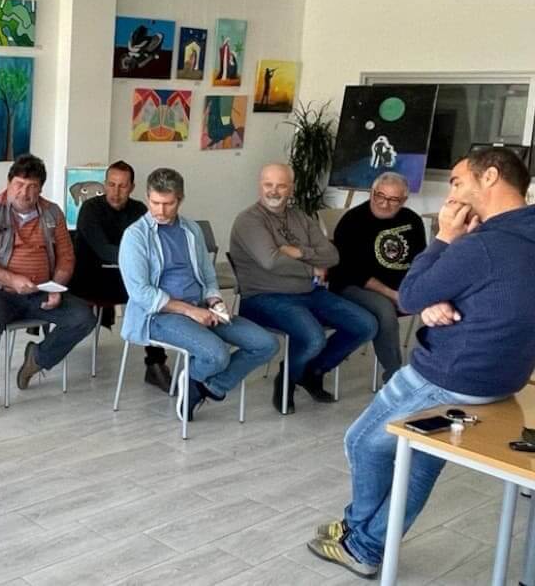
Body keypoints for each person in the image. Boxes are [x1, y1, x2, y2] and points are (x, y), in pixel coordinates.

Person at [307, 148, 535, 579]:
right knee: (420, 459)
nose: (451, 192)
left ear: (489, 177)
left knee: (361, 442)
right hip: (503, 377)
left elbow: (411, 298)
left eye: (456, 181)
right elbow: (499, 292)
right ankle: (364, 536)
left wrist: (446, 238)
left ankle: (361, 540)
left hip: (449, 374)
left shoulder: (484, 243)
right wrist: (440, 301)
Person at [119, 168, 278, 419]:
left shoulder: (191, 230)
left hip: (201, 307)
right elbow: (140, 293)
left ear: (180, 199)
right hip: (159, 316)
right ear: (148, 197)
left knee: (266, 344)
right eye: (154, 202)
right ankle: (197, 381)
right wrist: (190, 311)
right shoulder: (135, 236)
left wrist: (214, 299)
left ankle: (202, 385)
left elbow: (207, 274)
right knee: (216, 354)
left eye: (168, 204)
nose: (160, 211)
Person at [229, 163, 377, 414]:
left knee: (366, 325)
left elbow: (332, 255)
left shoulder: (299, 216)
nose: (274, 191)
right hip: (263, 297)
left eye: (281, 185)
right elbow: (271, 261)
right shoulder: (249, 220)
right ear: (260, 186)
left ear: (291, 188)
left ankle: (311, 371)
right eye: (268, 185)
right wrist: (312, 268)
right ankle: (287, 379)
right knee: (312, 338)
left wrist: (297, 252)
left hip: (309, 293)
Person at [0, 154, 95, 418]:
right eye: (19, 184)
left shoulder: (51, 213)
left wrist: (55, 287)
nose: (24, 192)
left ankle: (38, 358)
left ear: (40, 189)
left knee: (84, 317)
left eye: (32, 186)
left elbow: (66, 257)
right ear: (9, 183)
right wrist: (11, 279)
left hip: (40, 292)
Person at [70, 160, 172, 392]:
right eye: (111, 184)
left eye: (122, 186)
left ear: (132, 187)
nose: (116, 192)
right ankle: (155, 361)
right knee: (146, 292)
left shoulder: (139, 211)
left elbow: (155, 246)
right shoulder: (90, 209)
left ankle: (156, 362)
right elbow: (104, 250)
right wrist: (139, 260)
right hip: (91, 280)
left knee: (155, 293)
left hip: (126, 278)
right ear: (105, 184)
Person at [329, 172, 427, 383]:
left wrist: (416, 290)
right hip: (354, 286)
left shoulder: (412, 220)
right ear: (372, 193)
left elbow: (420, 261)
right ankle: (395, 378)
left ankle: (434, 372)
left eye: (393, 200)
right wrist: (393, 295)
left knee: (441, 303)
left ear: (404, 200)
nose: (383, 204)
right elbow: (353, 271)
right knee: (385, 310)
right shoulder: (353, 221)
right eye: (379, 196)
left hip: (400, 287)